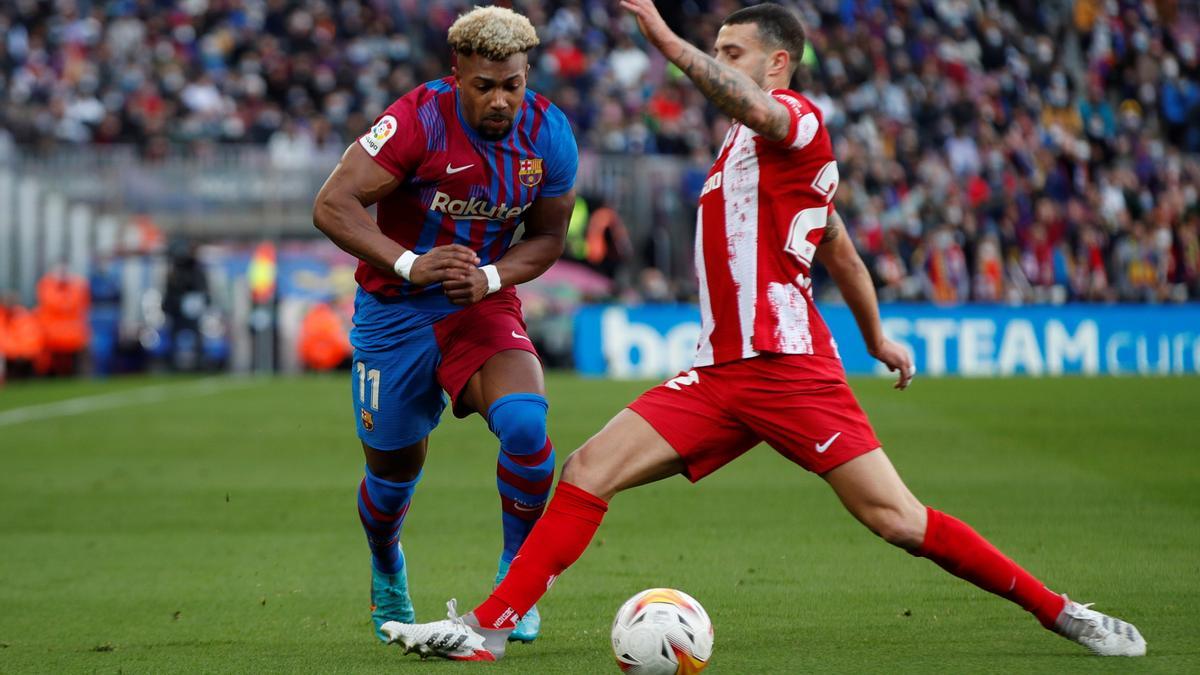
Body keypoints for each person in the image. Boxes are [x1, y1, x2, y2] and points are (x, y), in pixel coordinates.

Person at [382, 2, 1145, 662]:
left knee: (897, 519)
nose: (721, 64)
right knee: (586, 470)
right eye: (715, 53)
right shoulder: (745, 149)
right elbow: (837, 242)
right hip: (722, 373)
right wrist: (876, 335)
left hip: (785, 366)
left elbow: (761, 117)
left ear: (778, 64)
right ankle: (489, 630)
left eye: (733, 54)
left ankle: (1062, 610)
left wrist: (667, 39)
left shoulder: (796, 119)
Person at [310, 6, 578, 645]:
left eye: (512, 84)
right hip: (393, 314)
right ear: (457, 73)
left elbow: (546, 239)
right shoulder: (415, 120)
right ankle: (387, 565)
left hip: (478, 304)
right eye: (485, 85)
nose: (501, 100)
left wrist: (489, 277)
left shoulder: (549, 134)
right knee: (392, 474)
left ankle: (517, 582)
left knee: (525, 423)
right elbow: (331, 204)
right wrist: (409, 262)